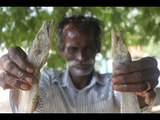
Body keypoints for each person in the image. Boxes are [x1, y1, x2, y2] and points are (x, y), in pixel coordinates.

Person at [0, 15, 159, 113]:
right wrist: (18, 78)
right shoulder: (46, 80)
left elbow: (136, 96)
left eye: (88, 48)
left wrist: (142, 89)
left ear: (97, 48)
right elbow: (28, 98)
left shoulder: (116, 82)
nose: (81, 57)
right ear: (61, 50)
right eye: (72, 49)